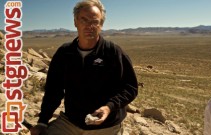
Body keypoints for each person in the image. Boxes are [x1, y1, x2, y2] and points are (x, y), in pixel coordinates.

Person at [30, 0, 138, 134]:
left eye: (95, 21)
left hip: (106, 126)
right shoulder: (65, 53)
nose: (89, 26)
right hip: (70, 122)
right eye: (84, 20)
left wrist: (109, 107)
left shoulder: (113, 52)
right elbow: (53, 90)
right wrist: (42, 122)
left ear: (101, 25)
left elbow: (130, 88)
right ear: (75, 22)